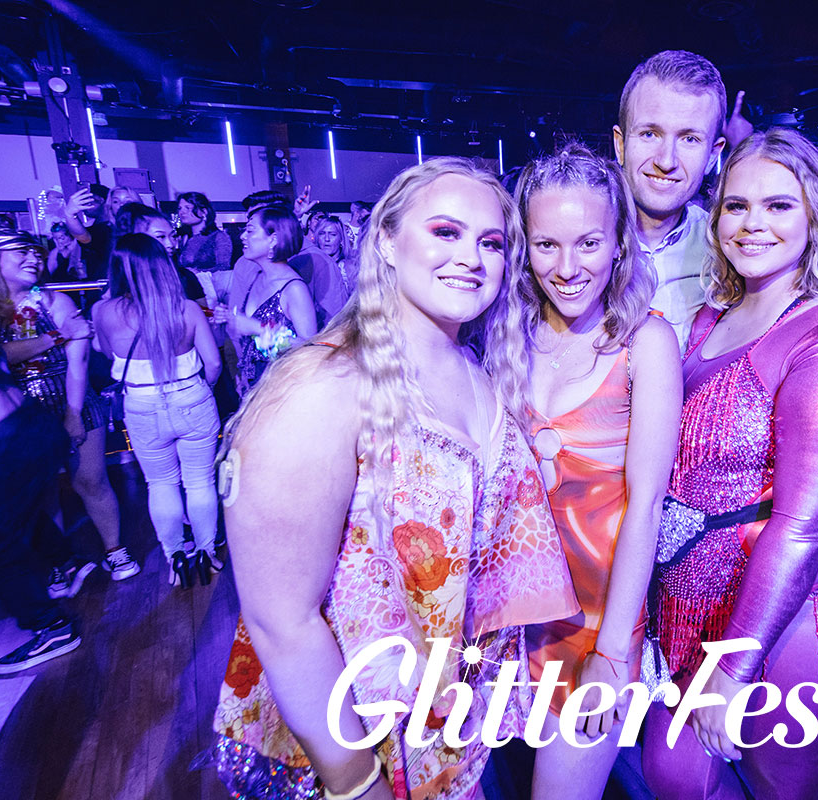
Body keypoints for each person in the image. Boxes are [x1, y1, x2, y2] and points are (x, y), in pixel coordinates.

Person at [207, 158, 578, 800]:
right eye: (445, 232)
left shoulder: (477, 369)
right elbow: (282, 623)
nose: (471, 258)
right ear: (385, 240)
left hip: (449, 731)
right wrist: (355, 783)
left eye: (491, 243)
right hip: (350, 743)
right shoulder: (324, 385)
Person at [642, 128, 818, 800]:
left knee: (781, 791)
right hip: (695, 605)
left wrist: (735, 669)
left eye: (778, 205)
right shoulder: (709, 318)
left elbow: (803, 525)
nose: (752, 224)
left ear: (816, 215)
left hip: (796, 619)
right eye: (736, 205)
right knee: (673, 772)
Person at [513, 143, 681, 799]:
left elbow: (646, 506)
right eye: (546, 245)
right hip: (506, 618)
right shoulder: (506, 333)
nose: (566, 268)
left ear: (618, 244)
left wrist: (612, 652)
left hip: (595, 622)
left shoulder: (646, 343)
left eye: (588, 242)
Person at [0, 230, 140, 581]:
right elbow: (3, 354)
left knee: (90, 481)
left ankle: (115, 550)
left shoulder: (55, 301)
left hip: (73, 402)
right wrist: (56, 336)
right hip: (21, 416)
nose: (34, 259)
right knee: (42, 492)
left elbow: (79, 361)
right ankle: (60, 565)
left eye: (36, 253)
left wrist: (73, 414)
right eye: (21, 253)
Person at [91, 234, 222, 587]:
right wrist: (201, 391)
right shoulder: (186, 308)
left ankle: (175, 556)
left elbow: (107, 354)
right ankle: (207, 552)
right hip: (191, 397)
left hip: (141, 403)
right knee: (200, 481)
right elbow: (213, 363)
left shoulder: (104, 312)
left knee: (160, 483)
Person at [613, 50, 728, 347]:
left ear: (712, 155)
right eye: (649, 134)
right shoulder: (573, 244)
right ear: (620, 144)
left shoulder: (727, 253)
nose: (666, 161)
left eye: (689, 139)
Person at [0, 344, 82, 674]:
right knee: (14, 515)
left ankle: (53, 628)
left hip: (9, 439)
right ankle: (66, 561)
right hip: (32, 424)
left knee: (1, 543)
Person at [215, 207, 316, 394]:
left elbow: (310, 349)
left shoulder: (294, 289)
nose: (242, 236)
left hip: (282, 389)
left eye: (250, 230)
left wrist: (258, 329)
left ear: (273, 239)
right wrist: (230, 317)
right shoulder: (258, 277)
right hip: (254, 384)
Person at [176, 191, 234, 303]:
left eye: (187, 208)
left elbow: (224, 267)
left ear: (203, 212)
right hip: (188, 293)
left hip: (210, 295)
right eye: (180, 208)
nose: (182, 212)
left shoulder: (219, 237)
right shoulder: (184, 238)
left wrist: (197, 272)